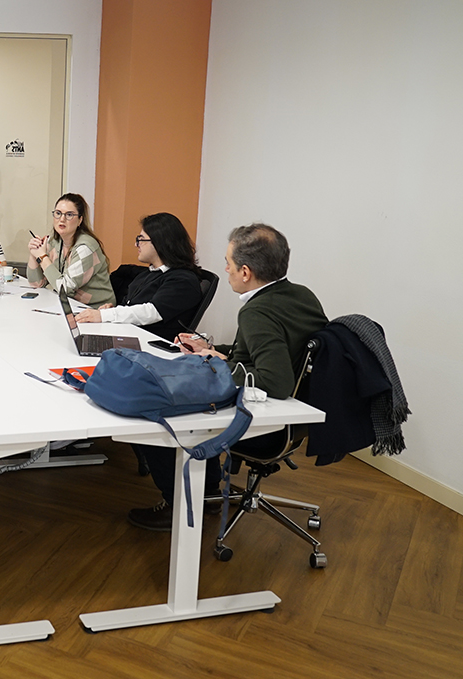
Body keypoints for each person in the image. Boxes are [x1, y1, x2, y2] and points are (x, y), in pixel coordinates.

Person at [128, 223, 328, 531]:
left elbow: (275, 381)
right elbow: (259, 354)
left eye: (229, 263)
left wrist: (213, 363)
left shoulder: (257, 311)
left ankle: (178, 504)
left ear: (245, 272)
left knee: (159, 416)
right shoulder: (300, 295)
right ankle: (207, 491)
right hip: (297, 415)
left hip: (267, 419)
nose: (225, 269)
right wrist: (210, 349)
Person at [75, 212, 202, 341]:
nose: (136, 244)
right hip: (130, 336)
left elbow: (151, 312)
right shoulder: (149, 273)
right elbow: (134, 308)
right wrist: (115, 310)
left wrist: (105, 315)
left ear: (159, 242)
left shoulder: (183, 280)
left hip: (149, 345)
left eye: (141, 239)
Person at [27, 193, 116, 308]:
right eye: (58, 213)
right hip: (68, 306)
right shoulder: (54, 242)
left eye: (69, 215)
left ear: (80, 220)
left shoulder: (86, 248)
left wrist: (42, 257)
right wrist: (34, 253)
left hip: (94, 310)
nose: (62, 219)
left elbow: (64, 288)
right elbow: (36, 284)